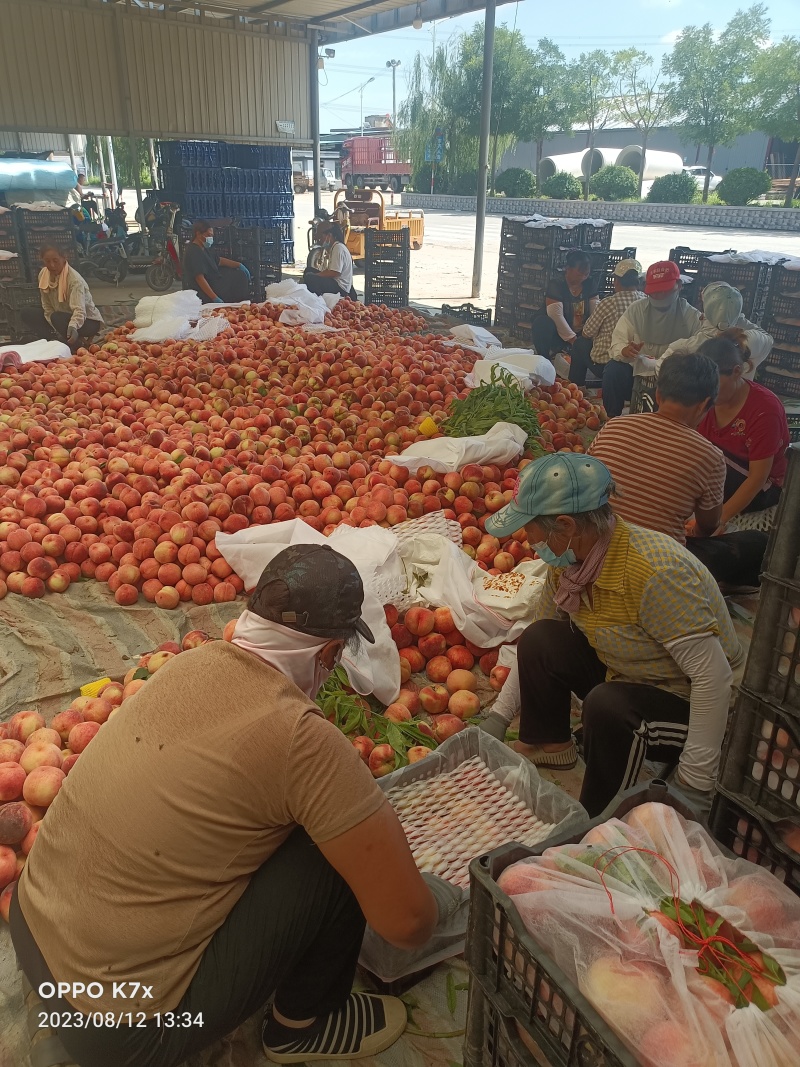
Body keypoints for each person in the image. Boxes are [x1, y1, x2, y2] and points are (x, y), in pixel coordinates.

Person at [11, 544, 449, 1067]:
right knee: (328, 851)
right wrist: (441, 894)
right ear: (329, 654)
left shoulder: (184, 665)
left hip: (31, 931)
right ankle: (302, 1026)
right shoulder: (301, 741)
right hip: (122, 1031)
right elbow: (407, 925)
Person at [479, 453, 743, 819]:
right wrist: (498, 719)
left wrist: (696, 782)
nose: (529, 539)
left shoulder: (655, 573)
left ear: (566, 525)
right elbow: (536, 640)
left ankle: (601, 815)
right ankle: (550, 743)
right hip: (628, 673)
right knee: (542, 637)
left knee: (607, 706)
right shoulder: (571, 564)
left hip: (690, 701)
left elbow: (713, 679)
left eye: (530, 529)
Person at [589, 351, 768, 588]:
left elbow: (586, 482)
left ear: (659, 394)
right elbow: (708, 526)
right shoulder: (710, 456)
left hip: (593, 553)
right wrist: (692, 527)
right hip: (655, 571)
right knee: (759, 544)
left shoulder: (614, 426)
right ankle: (711, 589)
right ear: (705, 404)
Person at [695, 336, 790, 531]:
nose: (708, 393)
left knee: (708, 461)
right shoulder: (705, 396)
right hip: (725, 472)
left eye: (714, 385)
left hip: (764, 486)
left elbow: (758, 477)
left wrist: (719, 520)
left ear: (737, 372)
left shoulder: (764, 410)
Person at [604, 260, 702, 418]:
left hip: (673, 382)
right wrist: (625, 350)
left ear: (679, 285)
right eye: (655, 292)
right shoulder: (636, 310)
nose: (659, 296)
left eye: (664, 291)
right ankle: (612, 418)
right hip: (637, 376)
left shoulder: (691, 316)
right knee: (613, 369)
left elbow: (700, 352)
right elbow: (618, 341)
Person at [657, 281, 773, 379]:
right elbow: (767, 338)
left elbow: (659, 370)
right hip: (739, 404)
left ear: (705, 310)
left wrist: (645, 361)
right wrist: (735, 317)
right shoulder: (750, 341)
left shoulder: (683, 347)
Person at [570, 258, 644, 388]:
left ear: (617, 281)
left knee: (580, 343)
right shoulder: (645, 301)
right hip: (637, 365)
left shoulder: (609, 303)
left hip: (607, 365)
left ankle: (576, 387)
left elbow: (587, 332)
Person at [19, 246, 103, 350]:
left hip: (86, 322)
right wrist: (54, 327)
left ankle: (75, 346)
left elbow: (79, 310)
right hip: (59, 317)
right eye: (47, 261)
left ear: (64, 258)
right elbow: (47, 306)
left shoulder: (75, 280)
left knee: (57, 317)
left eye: (55, 261)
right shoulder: (43, 275)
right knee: (26, 312)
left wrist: (73, 326)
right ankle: (52, 340)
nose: (52, 265)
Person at [530, 250, 599, 362]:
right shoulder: (556, 284)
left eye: (586, 274)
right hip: (559, 333)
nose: (582, 277)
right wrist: (573, 340)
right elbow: (556, 316)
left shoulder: (590, 284)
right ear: (568, 269)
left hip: (582, 332)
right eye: (579, 274)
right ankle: (545, 358)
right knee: (541, 322)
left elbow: (596, 311)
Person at [182, 220, 251, 304]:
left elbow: (219, 260)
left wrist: (239, 265)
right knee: (239, 277)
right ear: (198, 234)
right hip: (204, 290)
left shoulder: (204, 248)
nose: (210, 238)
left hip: (214, 281)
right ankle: (238, 305)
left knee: (237, 272)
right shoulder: (194, 252)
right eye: (208, 235)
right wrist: (214, 298)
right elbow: (200, 278)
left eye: (211, 236)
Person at [303, 223, 357, 300]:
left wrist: (317, 275)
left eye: (323, 237)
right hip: (336, 282)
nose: (321, 240)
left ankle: (318, 300)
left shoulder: (338, 248)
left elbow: (334, 272)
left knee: (310, 278)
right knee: (309, 270)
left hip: (340, 288)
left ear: (329, 236)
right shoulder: (336, 247)